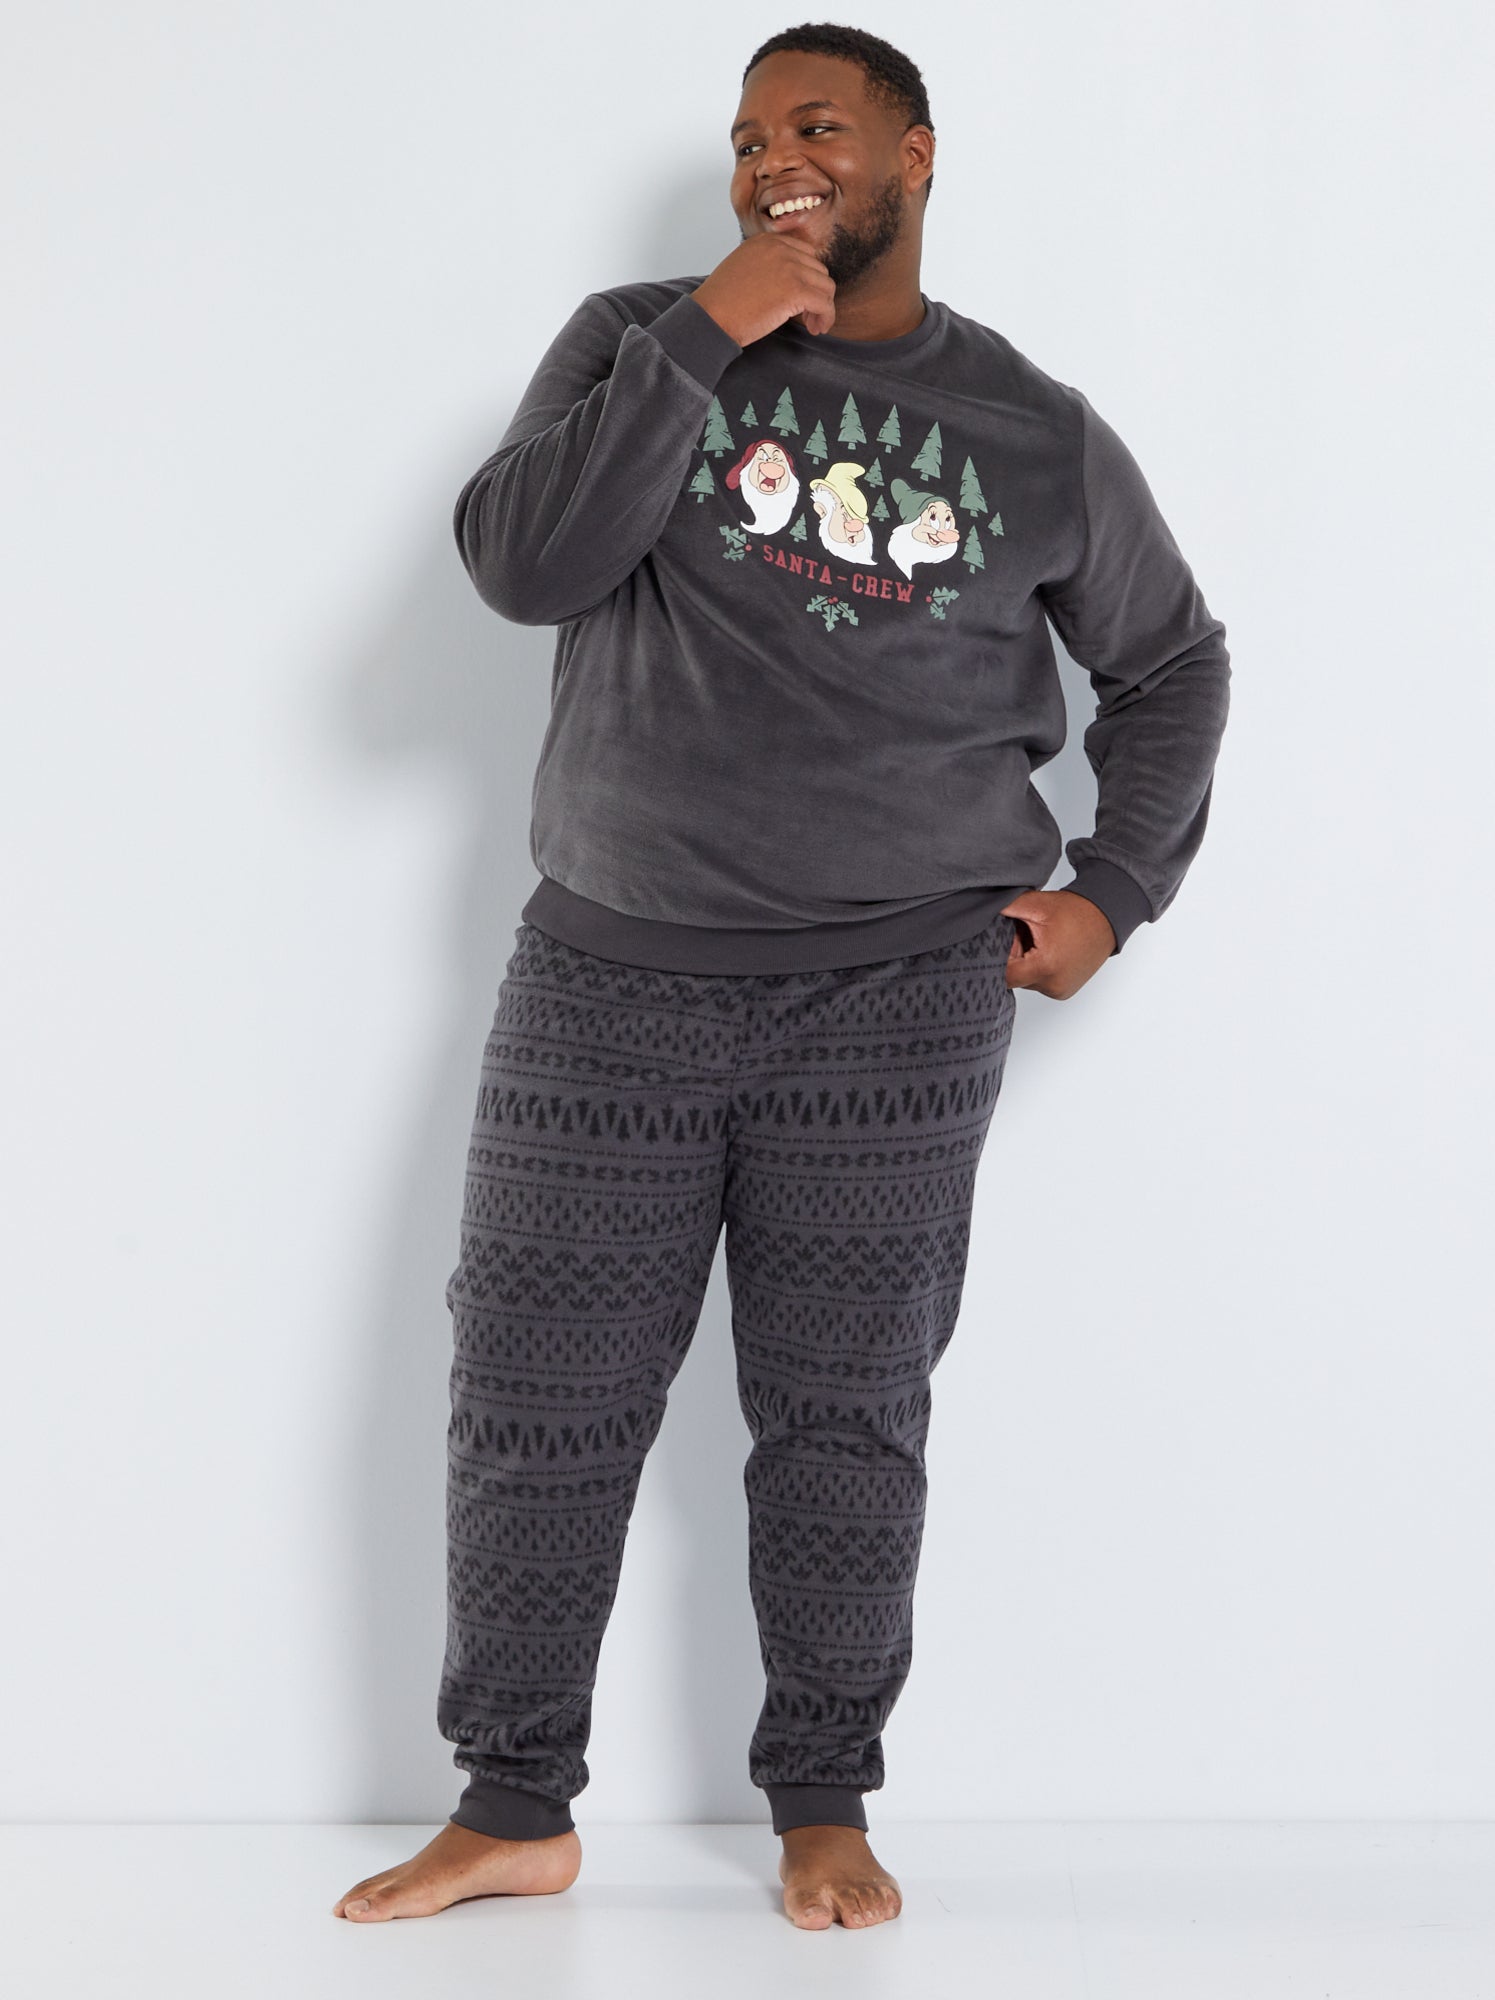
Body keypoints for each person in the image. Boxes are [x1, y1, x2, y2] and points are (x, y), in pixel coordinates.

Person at [333, 20, 1230, 1932]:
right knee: (535, 1397)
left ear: (917, 152)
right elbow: (521, 565)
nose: (773, 163)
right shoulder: (632, 340)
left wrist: (1113, 891)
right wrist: (703, 336)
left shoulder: (1033, 429)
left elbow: (1172, 664)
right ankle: (513, 1805)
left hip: (900, 994)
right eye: (748, 140)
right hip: (607, 976)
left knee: (843, 1412)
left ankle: (824, 1800)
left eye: (815, 126)